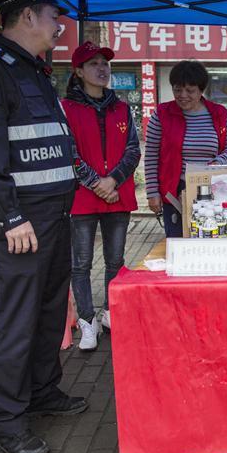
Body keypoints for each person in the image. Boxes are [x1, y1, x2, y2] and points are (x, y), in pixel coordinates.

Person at [0, 0, 86, 453]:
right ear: (28, 16)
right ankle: (6, 422)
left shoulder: (35, 71)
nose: (60, 24)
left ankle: (42, 391)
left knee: (50, 311)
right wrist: (11, 216)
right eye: (54, 15)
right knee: (15, 320)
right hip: (18, 222)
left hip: (53, 216)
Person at [62, 42, 141, 351]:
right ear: (79, 72)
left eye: (105, 62)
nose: (102, 68)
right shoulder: (66, 109)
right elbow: (69, 153)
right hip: (83, 197)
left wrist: (113, 181)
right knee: (80, 264)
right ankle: (87, 322)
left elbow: (133, 149)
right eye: (93, 63)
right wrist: (97, 183)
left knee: (116, 261)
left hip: (117, 196)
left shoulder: (121, 107)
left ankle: (110, 313)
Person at [144, 60, 227, 236]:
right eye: (177, 89)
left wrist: (216, 163)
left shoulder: (218, 113)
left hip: (213, 188)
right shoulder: (162, 114)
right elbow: (151, 156)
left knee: (211, 239)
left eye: (190, 90)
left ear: (201, 90)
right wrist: (152, 192)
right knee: (177, 241)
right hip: (175, 191)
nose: (182, 95)